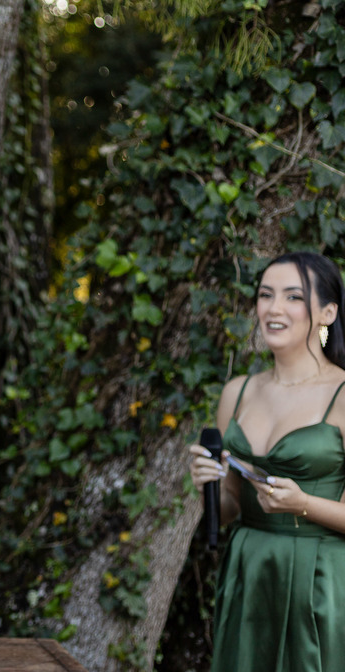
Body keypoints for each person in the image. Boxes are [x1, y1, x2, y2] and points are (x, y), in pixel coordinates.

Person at [188, 251, 345, 671]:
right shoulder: (237, 392)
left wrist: (302, 504)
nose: (274, 308)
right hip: (249, 570)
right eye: (265, 295)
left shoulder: (342, 394)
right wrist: (208, 484)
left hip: (321, 579)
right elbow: (230, 509)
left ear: (327, 312)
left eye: (293, 297)